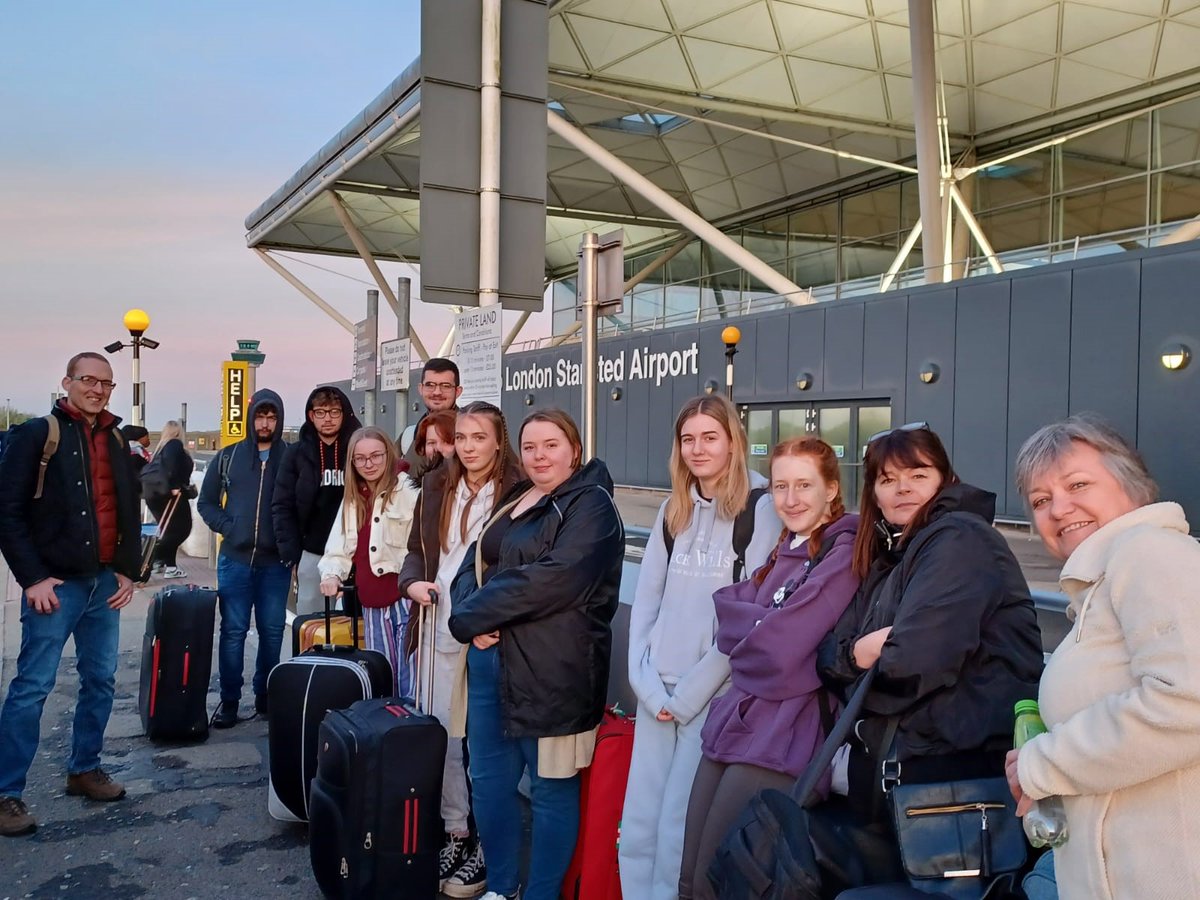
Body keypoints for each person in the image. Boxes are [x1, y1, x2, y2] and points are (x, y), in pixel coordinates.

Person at [805, 423, 1042, 894]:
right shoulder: (891, 553)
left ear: (945, 479)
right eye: (887, 479)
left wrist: (863, 663)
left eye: (917, 473)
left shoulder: (959, 540)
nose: (902, 489)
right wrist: (859, 654)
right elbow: (829, 654)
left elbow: (913, 663)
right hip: (903, 782)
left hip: (955, 787)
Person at [1007, 416, 1200, 900]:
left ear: (1131, 484)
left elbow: (1186, 705)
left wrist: (1042, 764)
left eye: (1077, 484)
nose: (1059, 508)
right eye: (1040, 500)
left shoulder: (1151, 552)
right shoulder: (1103, 583)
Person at [447, 409, 624, 900]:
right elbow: (471, 561)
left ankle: (542, 894)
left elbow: (554, 579)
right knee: (488, 784)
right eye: (529, 447)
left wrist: (473, 618)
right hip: (489, 673)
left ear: (574, 448)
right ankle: (502, 888)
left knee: (550, 792)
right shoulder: (514, 498)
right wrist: (469, 611)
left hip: (551, 674)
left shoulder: (592, 505)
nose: (539, 456)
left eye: (551, 445)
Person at [678, 437, 861, 899]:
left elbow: (777, 655)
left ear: (832, 489)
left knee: (721, 882)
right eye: (780, 486)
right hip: (737, 722)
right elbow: (729, 618)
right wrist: (763, 628)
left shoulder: (842, 554)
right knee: (691, 875)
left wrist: (758, 630)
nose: (791, 499)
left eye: (804, 485)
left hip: (785, 736)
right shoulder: (785, 549)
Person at [620, 395, 780, 900]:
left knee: (676, 827)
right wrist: (644, 685)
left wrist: (688, 696)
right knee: (639, 820)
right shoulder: (675, 507)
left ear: (733, 440)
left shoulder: (762, 507)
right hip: (657, 691)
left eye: (710, 437)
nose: (697, 448)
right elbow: (647, 603)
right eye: (688, 439)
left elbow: (751, 620)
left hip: (710, 696)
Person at [0, 352, 141, 837]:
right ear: (68, 382)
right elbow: (8, 512)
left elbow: (125, 505)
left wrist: (126, 571)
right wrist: (32, 577)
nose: (98, 389)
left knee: (100, 679)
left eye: (106, 383)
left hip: (103, 582)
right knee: (32, 686)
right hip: (55, 585)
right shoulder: (38, 435)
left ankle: (85, 769)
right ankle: (6, 793)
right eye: (89, 380)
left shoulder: (116, 437)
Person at [399, 401, 523, 898]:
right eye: (462, 438)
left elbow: (520, 564)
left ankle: (486, 847)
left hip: (486, 631)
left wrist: (495, 618)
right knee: (444, 737)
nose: (468, 447)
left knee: (483, 745)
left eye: (478, 437)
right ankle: (455, 830)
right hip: (434, 623)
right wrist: (411, 584)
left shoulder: (517, 490)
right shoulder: (435, 485)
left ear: (498, 440)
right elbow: (415, 549)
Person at [198, 389, 289, 729]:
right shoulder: (229, 457)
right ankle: (230, 701)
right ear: (251, 419)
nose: (265, 423)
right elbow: (206, 502)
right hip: (235, 560)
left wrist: (289, 545)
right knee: (233, 631)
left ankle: (266, 696)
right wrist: (228, 528)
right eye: (260, 417)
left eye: (272, 417)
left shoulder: (290, 458)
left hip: (275, 565)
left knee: (272, 632)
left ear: (278, 420)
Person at [318, 425, 419, 699]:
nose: (369, 464)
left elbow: (424, 547)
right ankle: (385, 733)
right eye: (360, 459)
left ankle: (412, 735)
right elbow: (339, 545)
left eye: (376, 456)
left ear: (389, 454)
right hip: (372, 602)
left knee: (411, 678)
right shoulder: (353, 498)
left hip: (405, 598)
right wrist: (332, 575)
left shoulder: (409, 491)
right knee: (381, 675)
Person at [271, 386, 362, 615]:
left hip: (356, 553)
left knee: (357, 625)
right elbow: (282, 505)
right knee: (313, 624)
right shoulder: (296, 454)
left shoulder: (359, 449)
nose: (328, 419)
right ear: (311, 415)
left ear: (345, 414)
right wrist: (292, 555)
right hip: (312, 552)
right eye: (321, 412)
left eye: (334, 412)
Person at [146, 420, 194, 579]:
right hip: (171, 494)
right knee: (182, 529)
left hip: (156, 494)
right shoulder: (174, 444)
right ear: (178, 432)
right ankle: (155, 559)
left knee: (169, 530)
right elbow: (171, 466)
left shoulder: (161, 448)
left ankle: (165, 564)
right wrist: (173, 486)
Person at [400, 357, 463, 468]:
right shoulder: (409, 434)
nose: (437, 392)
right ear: (420, 389)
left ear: (458, 391)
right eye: (430, 385)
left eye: (445, 386)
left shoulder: (468, 430)